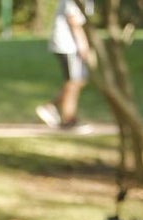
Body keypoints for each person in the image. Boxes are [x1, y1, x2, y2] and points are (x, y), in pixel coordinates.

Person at [36, 0, 93, 131]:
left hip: (72, 45)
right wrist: (83, 45)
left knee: (80, 80)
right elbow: (73, 20)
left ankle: (50, 107)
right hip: (67, 45)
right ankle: (68, 120)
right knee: (74, 81)